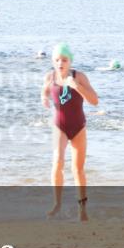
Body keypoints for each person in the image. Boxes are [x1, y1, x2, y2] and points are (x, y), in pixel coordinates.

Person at [41, 43, 98, 222]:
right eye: (57, 60)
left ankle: (82, 210)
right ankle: (57, 204)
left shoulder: (79, 76)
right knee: (57, 161)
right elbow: (44, 90)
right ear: (53, 61)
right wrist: (44, 98)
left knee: (77, 169)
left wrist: (77, 86)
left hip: (78, 126)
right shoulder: (50, 77)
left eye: (64, 60)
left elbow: (94, 101)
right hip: (60, 126)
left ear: (70, 61)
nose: (60, 63)